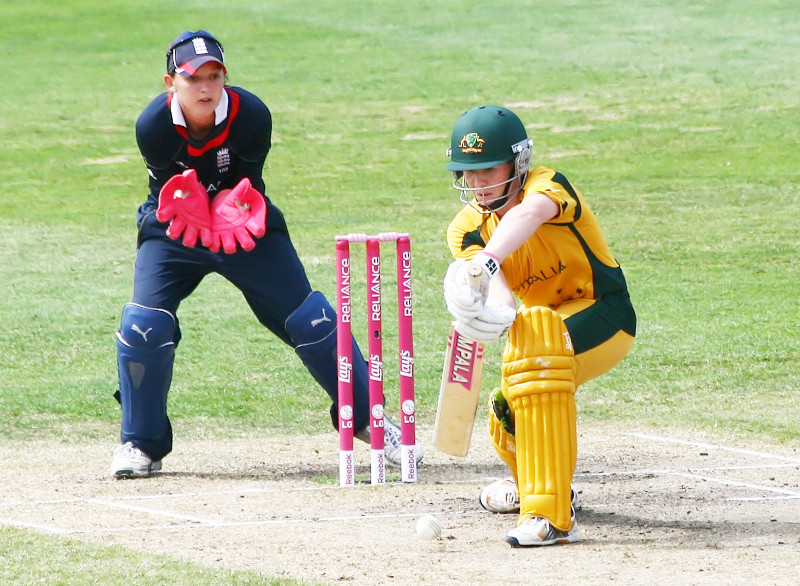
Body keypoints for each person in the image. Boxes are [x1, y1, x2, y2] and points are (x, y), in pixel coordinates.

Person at [111, 30, 422, 477]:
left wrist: (229, 208)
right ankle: (140, 443)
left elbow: (247, 182)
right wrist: (194, 207)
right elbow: (168, 189)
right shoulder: (152, 126)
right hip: (176, 225)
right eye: (193, 77)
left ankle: (371, 421)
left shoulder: (251, 114)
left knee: (311, 319)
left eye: (214, 76)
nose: (205, 87)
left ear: (224, 78)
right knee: (144, 325)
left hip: (242, 219)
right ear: (170, 82)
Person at [442, 105, 636, 546]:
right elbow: (504, 303)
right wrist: (481, 314)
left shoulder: (548, 186)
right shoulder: (466, 228)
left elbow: (527, 218)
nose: (477, 183)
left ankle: (550, 516)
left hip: (603, 313)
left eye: (488, 170)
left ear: (518, 162)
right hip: (540, 329)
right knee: (504, 407)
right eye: (467, 173)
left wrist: (488, 260)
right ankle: (533, 484)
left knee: (538, 343)